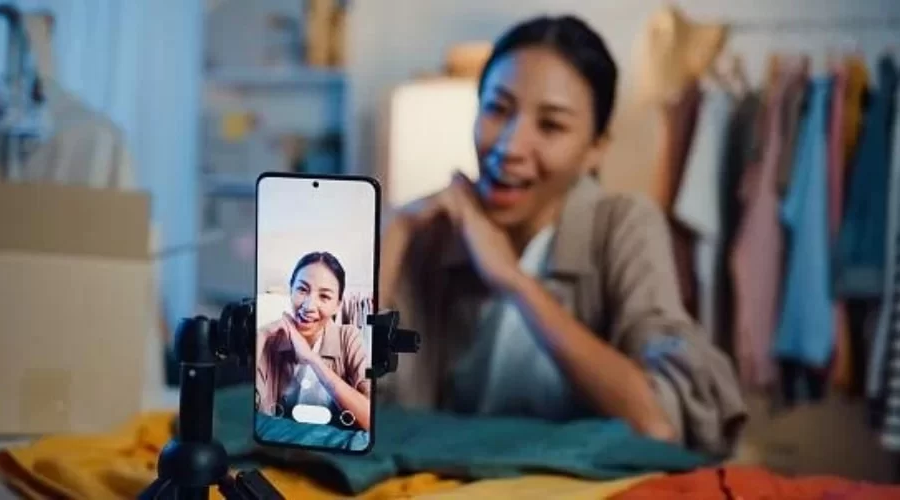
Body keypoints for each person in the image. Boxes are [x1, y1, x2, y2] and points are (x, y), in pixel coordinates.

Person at [379, 15, 747, 457]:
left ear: (595, 149)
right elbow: (342, 401)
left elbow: (657, 421)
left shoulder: (621, 225)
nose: (511, 147)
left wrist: (514, 283)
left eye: (550, 126)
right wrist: (395, 232)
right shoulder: (434, 235)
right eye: (497, 109)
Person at [256, 251, 371, 432]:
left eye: (324, 296)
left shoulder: (349, 337)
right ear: (291, 290)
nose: (309, 306)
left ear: (338, 305)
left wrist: (311, 359)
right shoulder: (270, 341)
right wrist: (260, 335)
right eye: (302, 290)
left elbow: (370, 419)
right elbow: (249, 411)